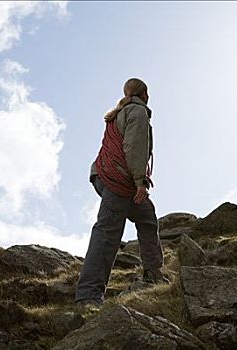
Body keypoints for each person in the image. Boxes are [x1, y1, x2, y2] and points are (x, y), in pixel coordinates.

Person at [75, 78, 165, 307]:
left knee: (147, 217)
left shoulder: (118, 113)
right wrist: (140, 183)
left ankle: (153, 273)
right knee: (107, 233)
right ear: (145, 94)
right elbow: (133, 148)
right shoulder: (138, 111)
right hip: (119, 180)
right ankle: (88, 295)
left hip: (103, 176)